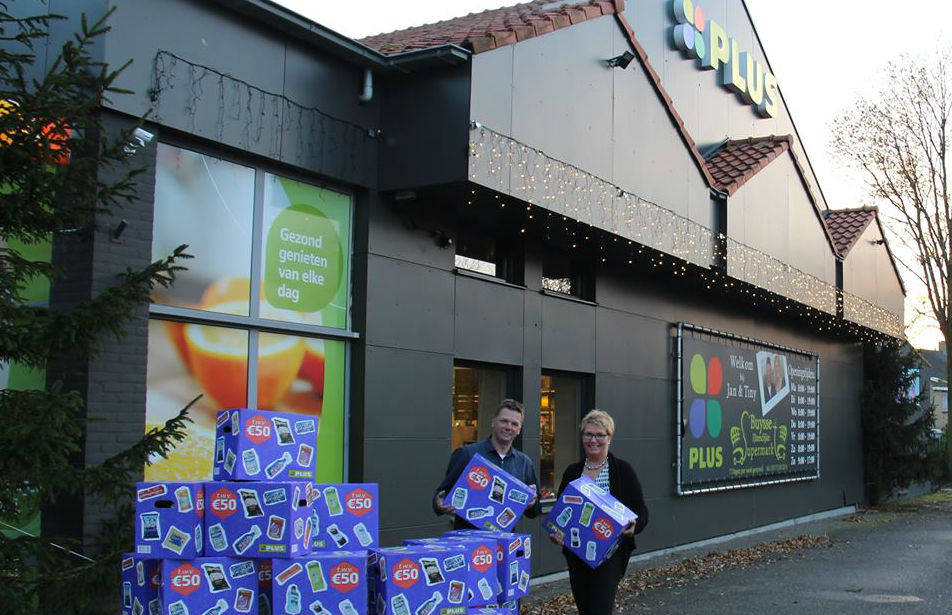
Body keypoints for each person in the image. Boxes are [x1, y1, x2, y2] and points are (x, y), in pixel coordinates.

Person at [550, 409, 648, 615]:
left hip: (609, 554)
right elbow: (560, 514)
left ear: (609, 438)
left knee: (600, 608)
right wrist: (556, 533)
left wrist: (634, 526)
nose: (593, 440)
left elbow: (641, 510)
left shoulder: (622, 470)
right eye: (588, 434)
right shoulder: (572, 472)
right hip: (577, 553)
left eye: (599, 435)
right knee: (585, 607)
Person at [433, 398, 540, 528]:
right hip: (469, 539)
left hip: (504, 543)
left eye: (514, 424)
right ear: (493, 422)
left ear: (519, 430)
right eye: (504, 421)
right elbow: (442, 494)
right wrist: (439, 504)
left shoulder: (524, 463)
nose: (508, 427)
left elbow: (535, 511)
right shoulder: (467, 454)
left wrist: (532, 504)